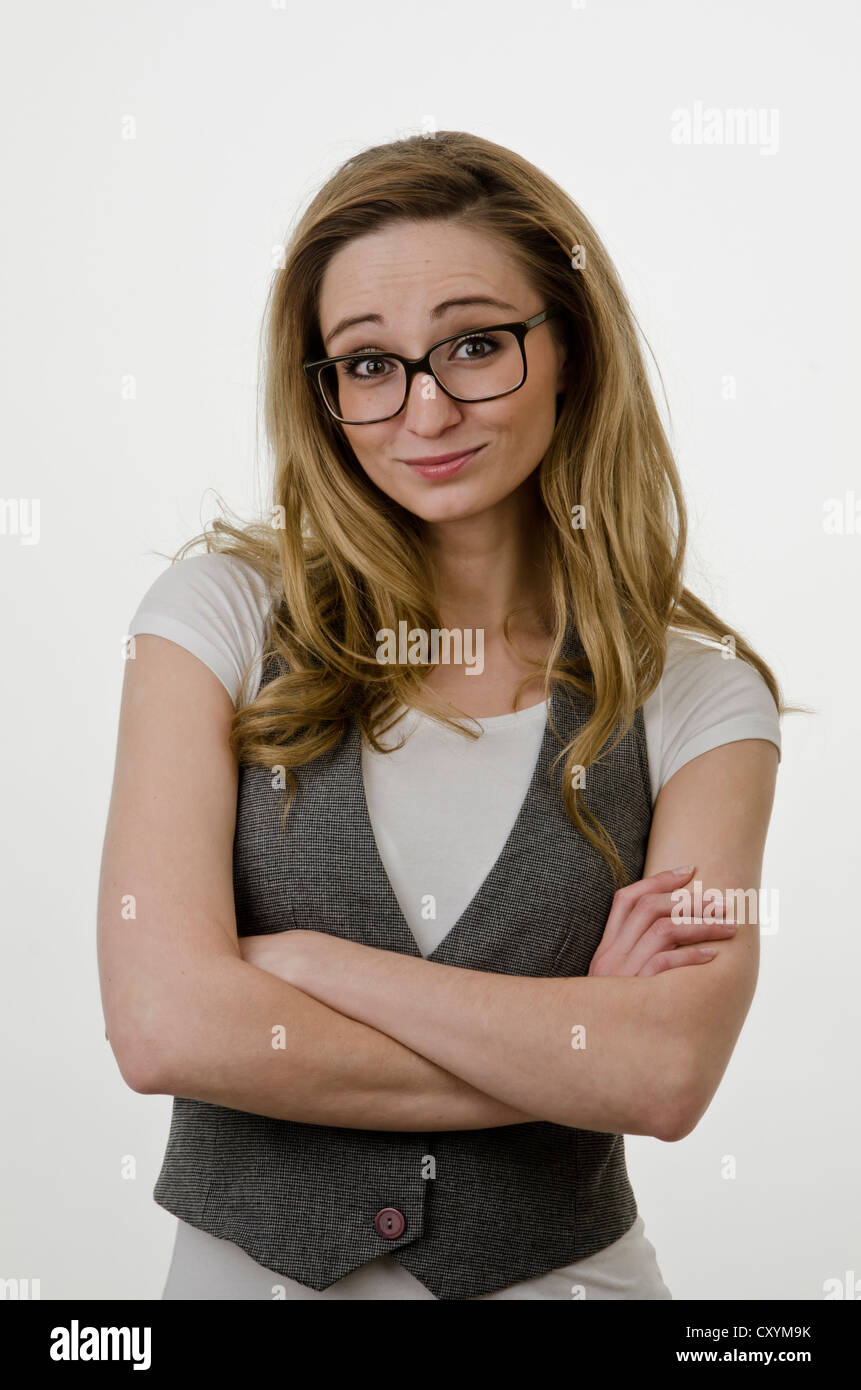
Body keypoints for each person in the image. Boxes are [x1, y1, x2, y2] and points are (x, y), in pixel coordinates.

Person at [98, 130, 785, 1301]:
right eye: (368, 365)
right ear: (321, 389)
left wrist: (309, 965)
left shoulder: (705, 692)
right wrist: (577, 1045)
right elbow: (166, 1028)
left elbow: (668, 1073)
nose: (425, 409)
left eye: (476, 345)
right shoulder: (212, 616)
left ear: (568, 347)